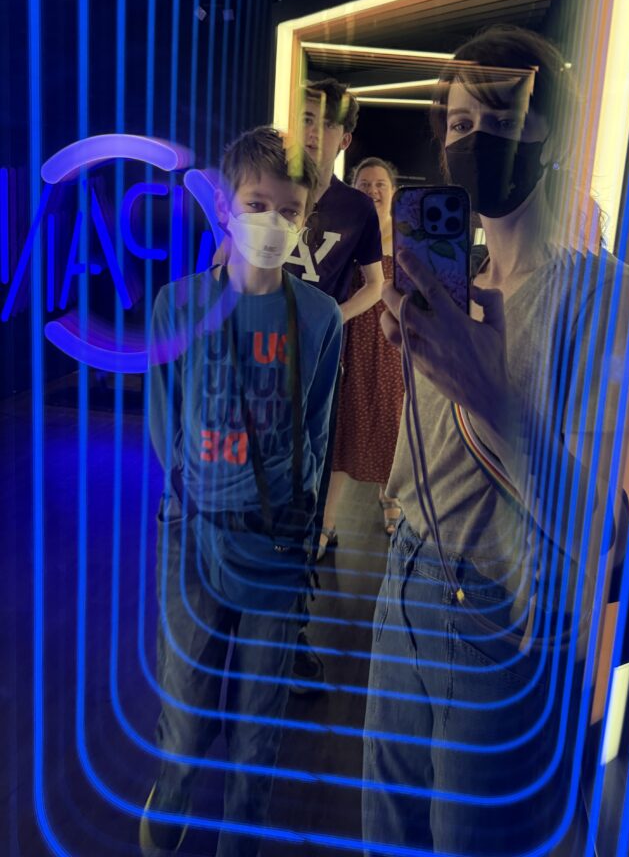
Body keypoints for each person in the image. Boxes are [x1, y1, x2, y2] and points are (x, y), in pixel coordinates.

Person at [361, 26, 629, 856]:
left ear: (548, 133)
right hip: (404, 580)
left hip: (504, 614)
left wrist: (486, 391)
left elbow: (597, 524)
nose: (476, 138)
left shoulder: (602, 295)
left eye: (502, 117)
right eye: (459, 123)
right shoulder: (447, 282)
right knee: (386, 834)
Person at [141, 127, 342, 857]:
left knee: (261, 721)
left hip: (278, 541)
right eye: (258, 203)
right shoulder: (178, 304)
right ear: (225, 206)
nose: (273, 221)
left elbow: (318, 427)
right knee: (186, 701)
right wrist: (192, 491)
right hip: (194, 532)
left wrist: (306, 518)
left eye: (290, 210)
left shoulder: (319, 317)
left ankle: (242, 835)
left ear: (306, 219)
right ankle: (173, 790)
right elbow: (163, 415)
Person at [214, 79, 384, 689]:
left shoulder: (357, 208)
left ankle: (293, 631)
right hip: (246, 352)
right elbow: (223, 258)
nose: (312, 129)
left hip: (308, 360)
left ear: (345, 136)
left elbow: (375, 283)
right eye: (304, 116)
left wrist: (330, 319)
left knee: (301, 490)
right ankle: (223, 620)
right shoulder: (267, 183)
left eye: (326, 120)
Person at [323, 157, 404, 552]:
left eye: (380, 184)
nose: (373, 190)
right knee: (345, 421)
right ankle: (327, 519)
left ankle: (390, 494)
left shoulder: (407, 238)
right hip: (352, 335)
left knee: (391, 419)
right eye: (364, 184)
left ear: (393, 191)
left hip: (393, 341)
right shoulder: (348, 231)